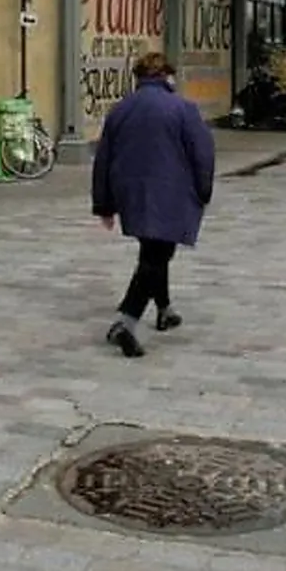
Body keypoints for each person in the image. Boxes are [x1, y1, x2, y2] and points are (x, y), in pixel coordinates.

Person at [91, 52, 216, 358]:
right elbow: (203, 154)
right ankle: (126, 320)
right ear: (167, 76)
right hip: (170, 192)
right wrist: (204, 191)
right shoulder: (183, 109)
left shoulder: (120, 110)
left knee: (153, 248)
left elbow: (103, 159)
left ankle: (164, 309)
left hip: (130, 192)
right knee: (157, 255)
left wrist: (104, 204)